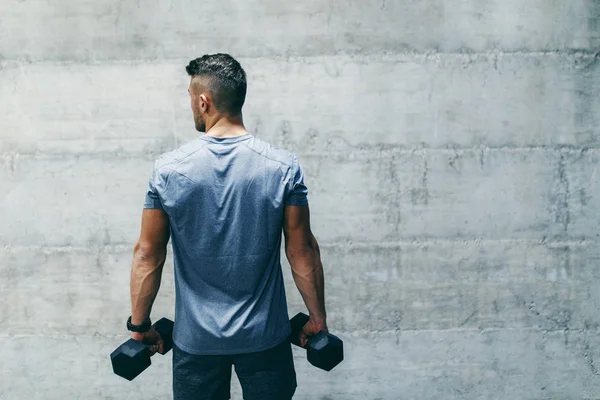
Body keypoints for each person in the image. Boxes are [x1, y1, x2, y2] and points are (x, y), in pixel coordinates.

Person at [126, 53, 328, 400]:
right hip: (265, 337)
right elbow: (302, 250)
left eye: (191, 96)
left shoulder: (168, 171)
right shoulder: (282, 168)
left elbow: (148, 254)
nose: (190, 104)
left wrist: (140, 326)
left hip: (197, 341)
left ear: (204, 101)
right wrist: (317, 320)